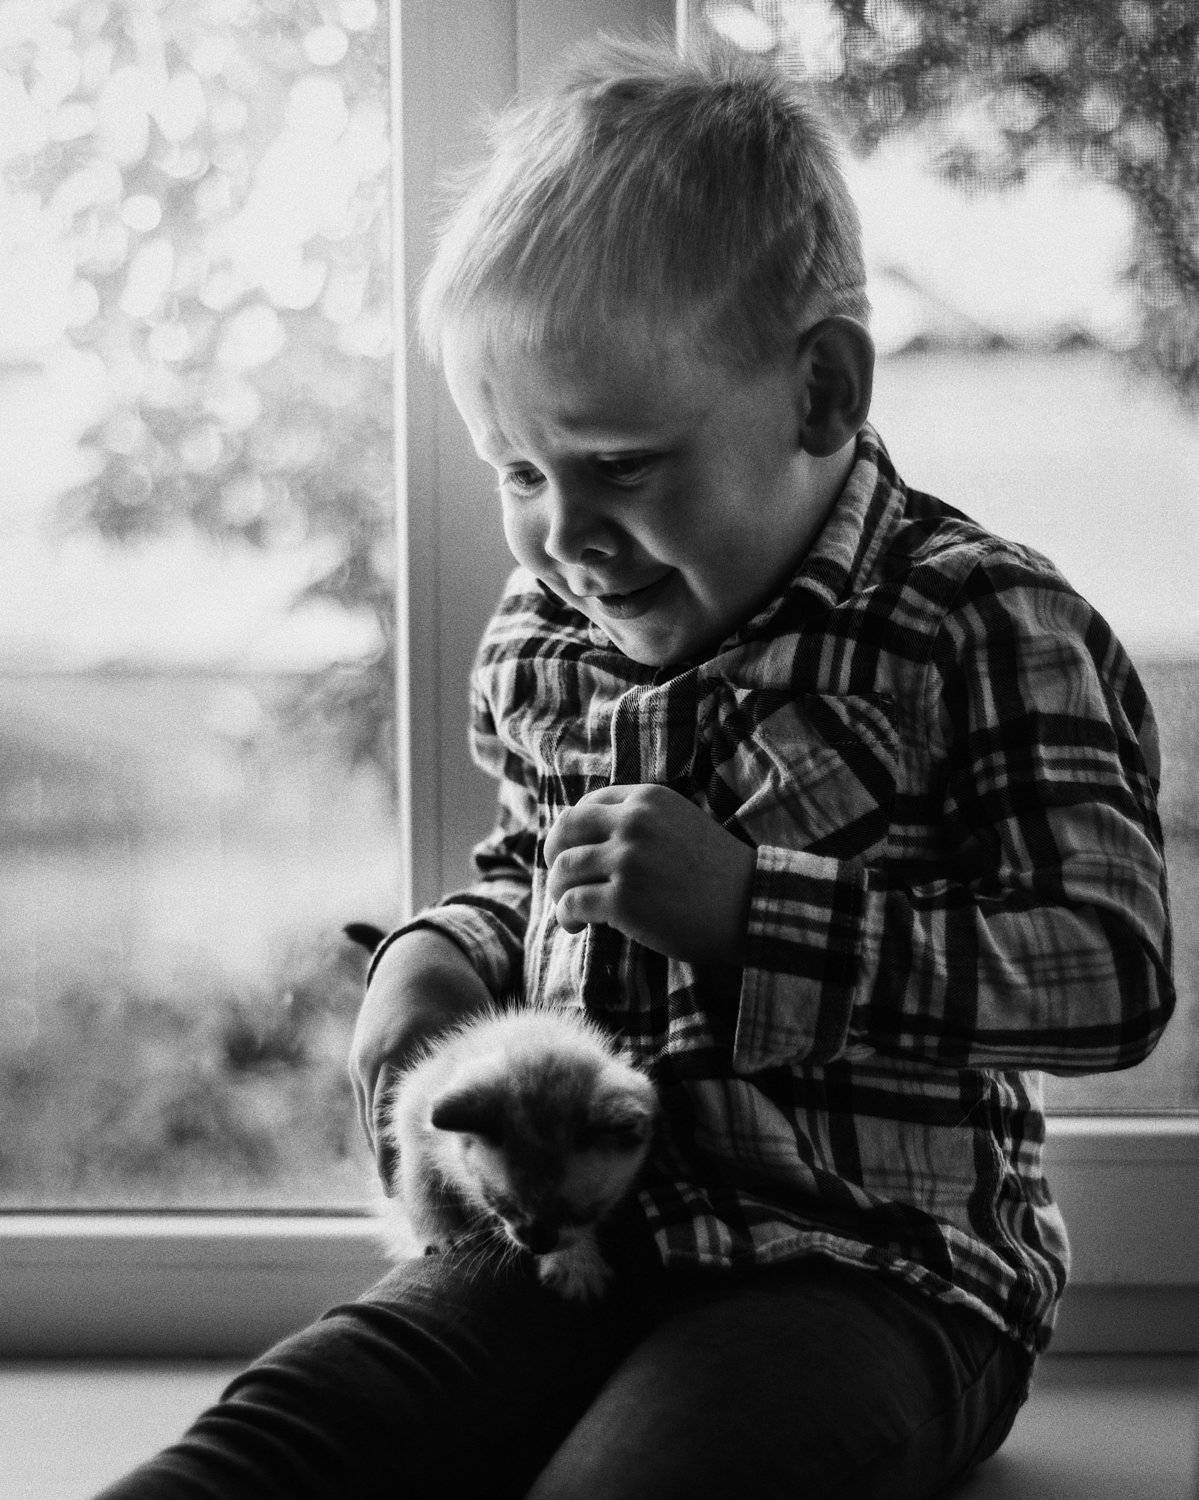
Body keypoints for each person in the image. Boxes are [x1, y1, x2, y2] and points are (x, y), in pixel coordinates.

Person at [98, 33, 1175, 1499]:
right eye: (519, 472)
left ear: (821, 392)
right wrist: (445, 952)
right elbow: (539, 877)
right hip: (573, 1235)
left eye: (620, 464)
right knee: (281, 1437)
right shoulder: (547, 639)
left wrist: (753, 912)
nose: (564, 534)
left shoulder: (981, 625)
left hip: (876, 1277)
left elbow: (1111, 971)